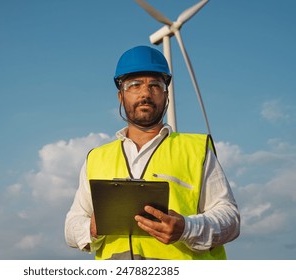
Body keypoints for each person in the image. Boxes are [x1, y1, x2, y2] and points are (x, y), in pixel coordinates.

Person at [65, 45, 240, 260]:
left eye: (155, 85)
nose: (146, 93)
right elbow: (72, 226)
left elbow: (230, 219)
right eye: (135, 85)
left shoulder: (196, 150)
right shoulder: (96, 158)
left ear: (166, 95)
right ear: (121, 96)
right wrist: (92, 228)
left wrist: (187, 228)